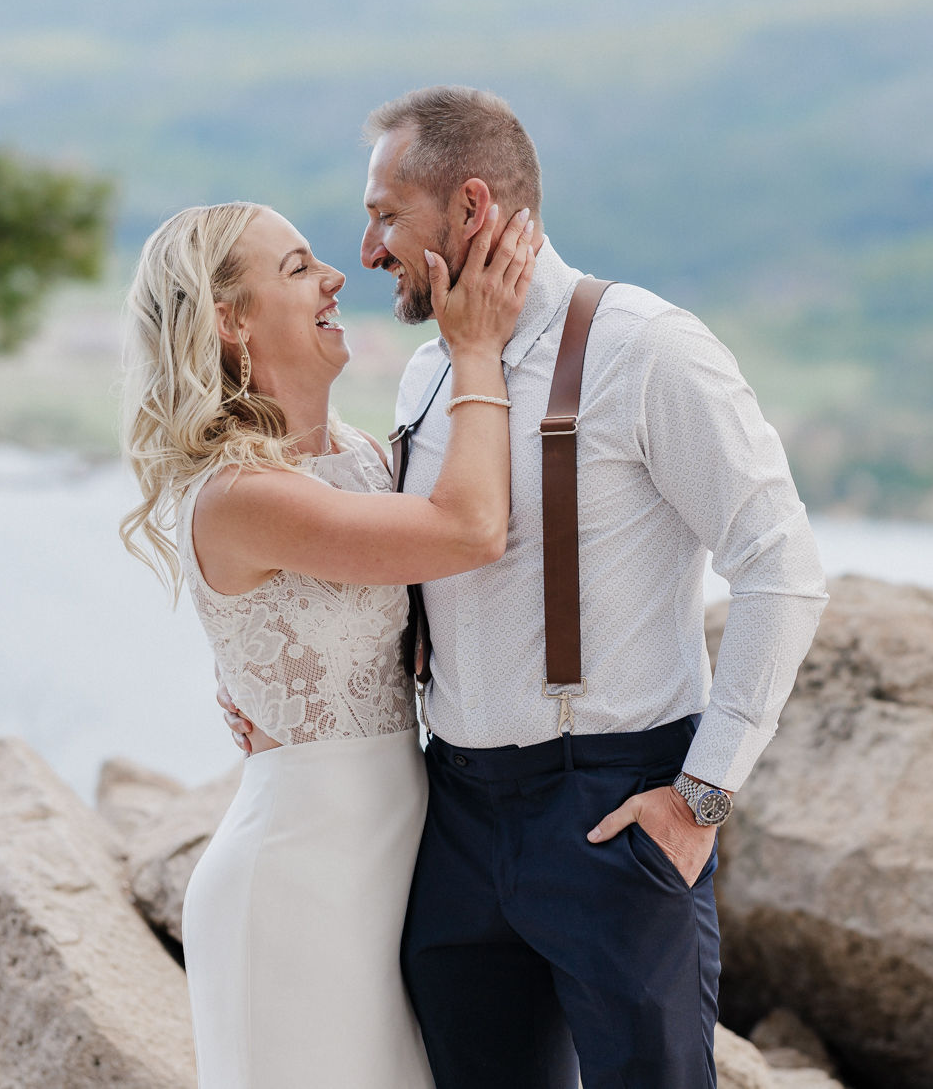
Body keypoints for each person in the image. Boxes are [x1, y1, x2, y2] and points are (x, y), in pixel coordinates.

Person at [219, 86, 830, 1089]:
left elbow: (779, 561)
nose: (367, 250)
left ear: (468, 208)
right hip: (452, 813)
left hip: (608, 804)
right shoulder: (425, 373)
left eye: (385, 216)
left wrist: (701, 794)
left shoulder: (647, 348)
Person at [119, 196, 538, 1089]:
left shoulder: (358, 455)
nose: (335, 276)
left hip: (389, 873)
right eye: (298, 267)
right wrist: (475, 352)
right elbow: (469, 530)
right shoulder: (242, 494)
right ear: (231, 322)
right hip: (294, 883)